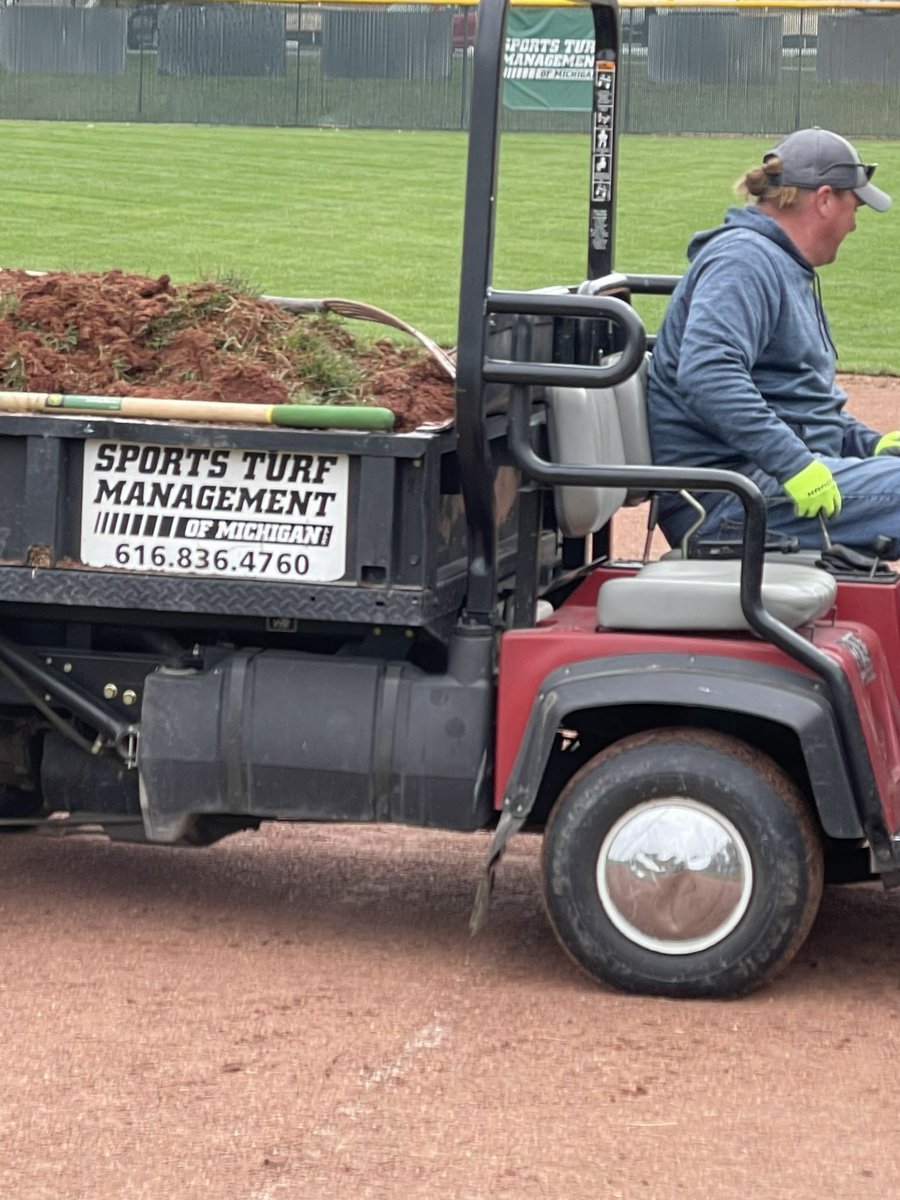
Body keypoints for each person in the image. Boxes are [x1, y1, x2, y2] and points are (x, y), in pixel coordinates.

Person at [646, 127, 900, 558]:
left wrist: (868, 442)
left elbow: (794, 396)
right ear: (823, 199)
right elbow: (708, 373)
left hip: (757, 482)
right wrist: (796, 465)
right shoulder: (744, 261)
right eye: (853, 205)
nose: (855, 224)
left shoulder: (777, 262)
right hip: (727, 500)